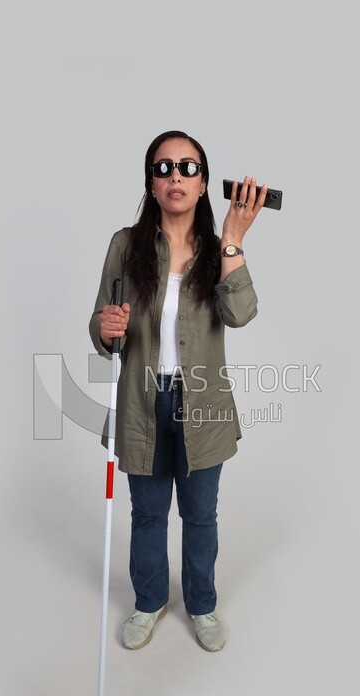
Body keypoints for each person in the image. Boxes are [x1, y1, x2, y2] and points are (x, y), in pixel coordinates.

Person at [89, 130, 267, 652]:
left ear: (205, 182)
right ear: (151, 181)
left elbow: (241, 314)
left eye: (188, 168)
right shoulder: (126, 245)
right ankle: (149, 601)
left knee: (200, 514)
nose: (176, 177)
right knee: (146, 513)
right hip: (141, 405)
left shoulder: (217, 249)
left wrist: (234, 238)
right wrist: (107, 328)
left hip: (202, 405)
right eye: (164, 168)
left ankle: (202, 604)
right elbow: (99, 328)